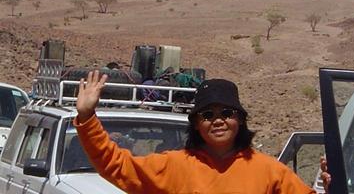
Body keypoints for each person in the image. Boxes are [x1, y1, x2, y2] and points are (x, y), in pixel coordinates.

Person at [74, 70, 331, 194]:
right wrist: (87, 118)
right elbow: (115, 165)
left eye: (226, 113)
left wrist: (333, 184)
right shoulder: (174, 166)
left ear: (240, 120)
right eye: (208, 115)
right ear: (196, 123)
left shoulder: (269, 171)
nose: (217, 121)